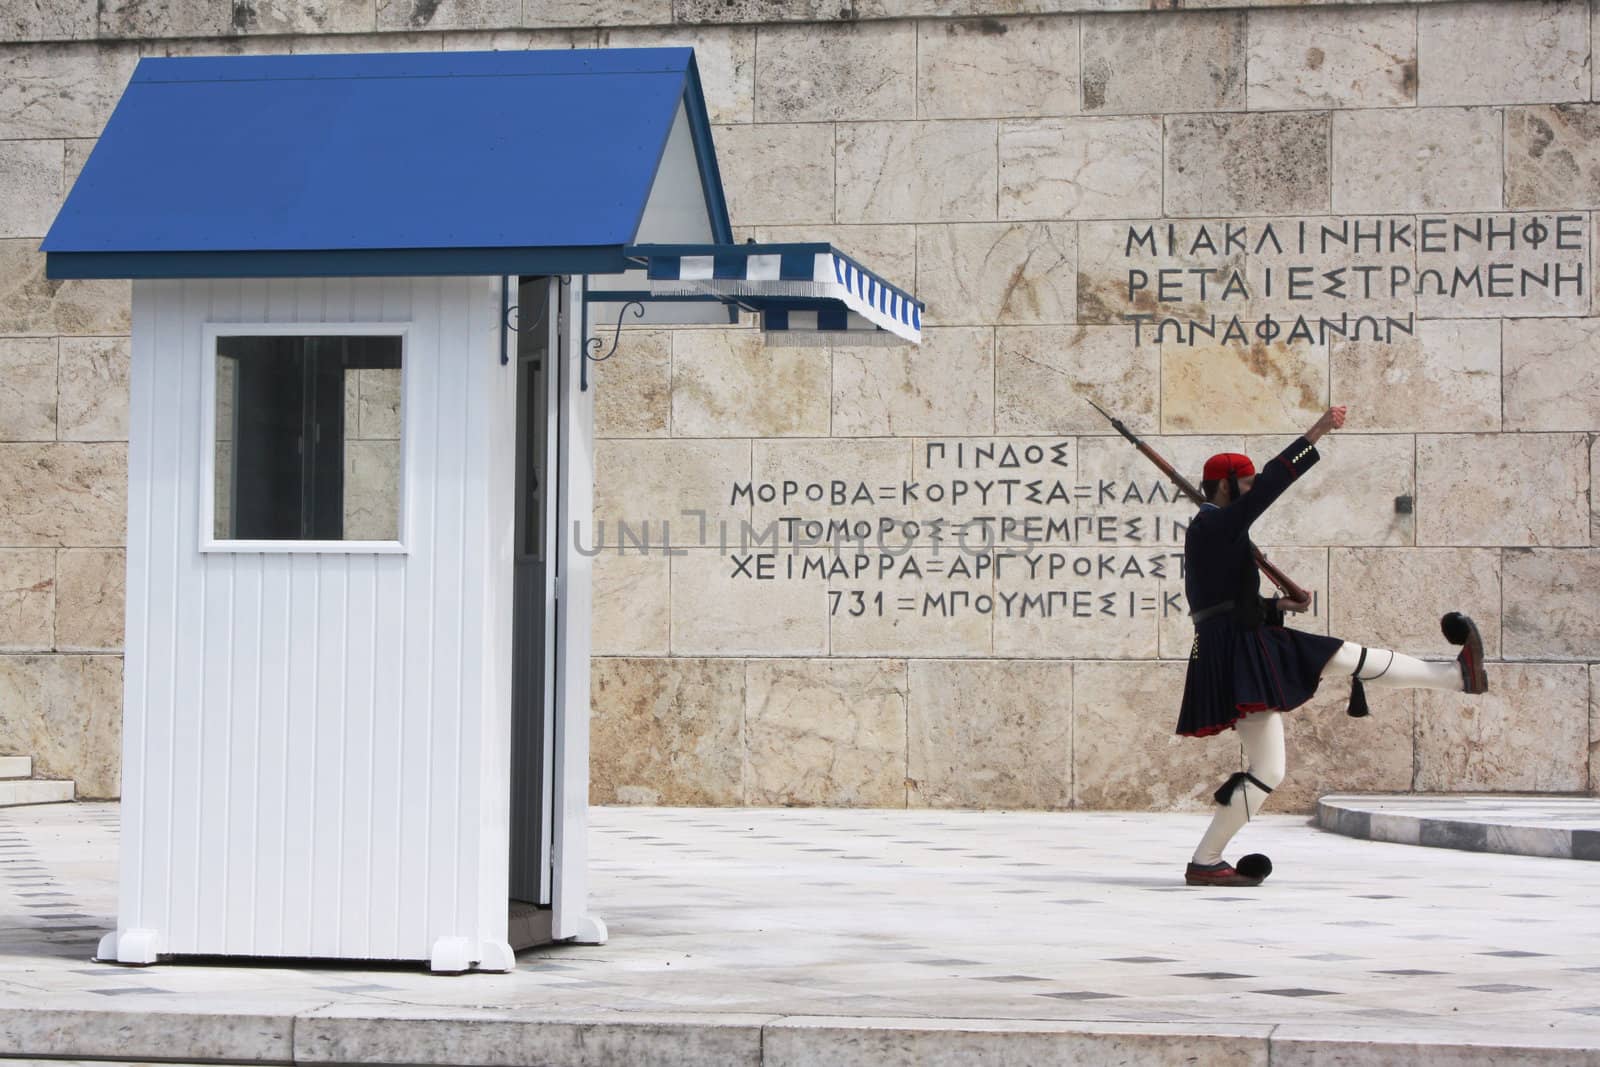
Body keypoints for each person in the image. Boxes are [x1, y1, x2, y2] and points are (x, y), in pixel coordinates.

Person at [1178, 406, 1488, 887]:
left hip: (1242, 643)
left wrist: (1278, 604)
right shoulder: (1214, 526)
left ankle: (1206, 861)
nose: (1249, 491)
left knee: (1271, 766)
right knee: (1340, 659)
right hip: (1239, 654)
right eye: (1243, 484)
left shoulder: (1215, 530)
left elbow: (1224, 604)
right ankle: (1457, 676)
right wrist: (1315, 434)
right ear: (1226, 486)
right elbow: (1269, 489)